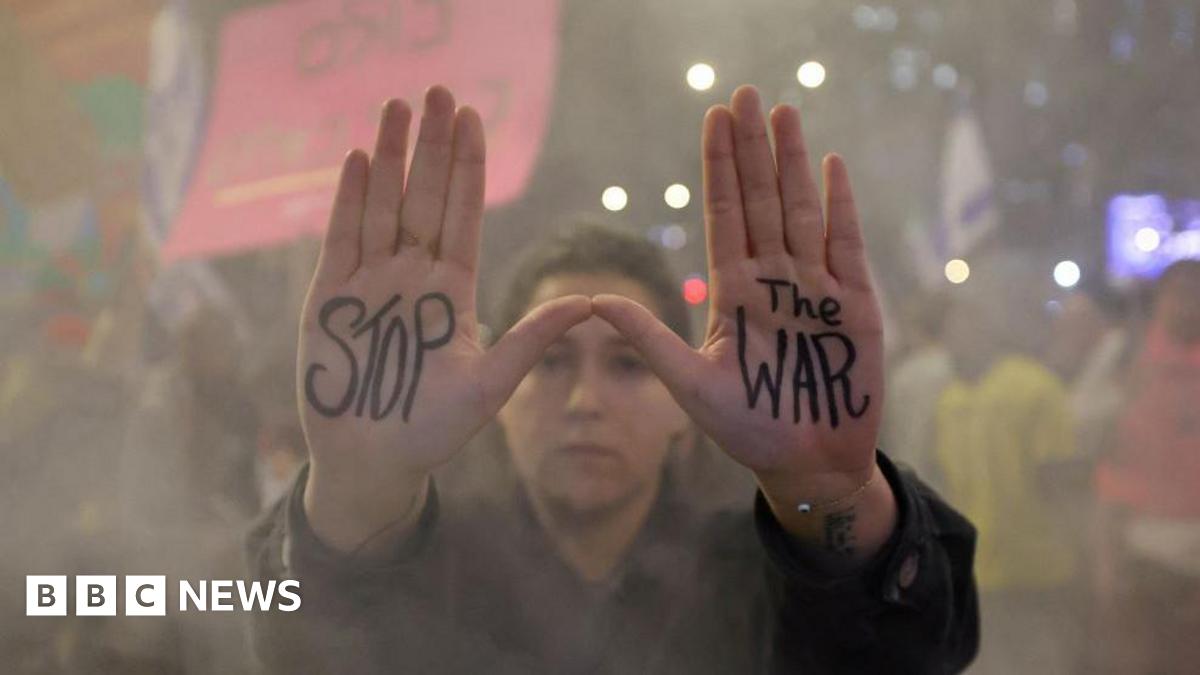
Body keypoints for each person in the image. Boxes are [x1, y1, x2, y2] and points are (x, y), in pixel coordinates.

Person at [246, 84, 978, 673]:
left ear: (686, 404)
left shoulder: (763, 576)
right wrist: (360, 492)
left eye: (630, 366)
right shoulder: (427, 569)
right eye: (549, 362)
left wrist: (826, 493)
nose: (585, 401)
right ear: (496, 395)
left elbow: (915, 646)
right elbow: (299, 640)